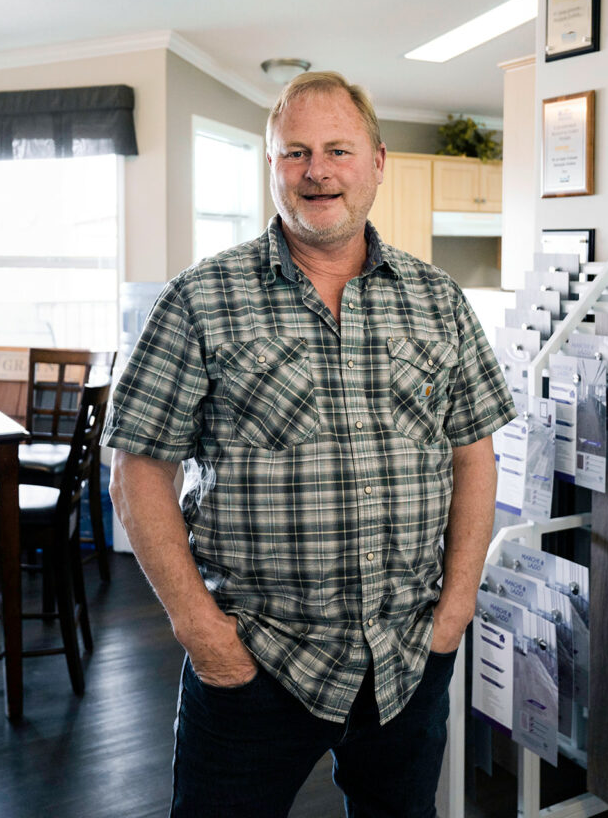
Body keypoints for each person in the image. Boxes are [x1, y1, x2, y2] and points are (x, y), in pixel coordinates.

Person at [103, 71, 515, 818]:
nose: (316, 170)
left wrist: (453, 613)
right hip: (254, 664)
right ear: (271, 167)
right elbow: (137, 470)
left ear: (377, 162)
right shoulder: (201, 298)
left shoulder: (437, 300)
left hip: (404, 662)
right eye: (294, 152)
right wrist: (201, 632)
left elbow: (471, 455)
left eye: (336, 149)